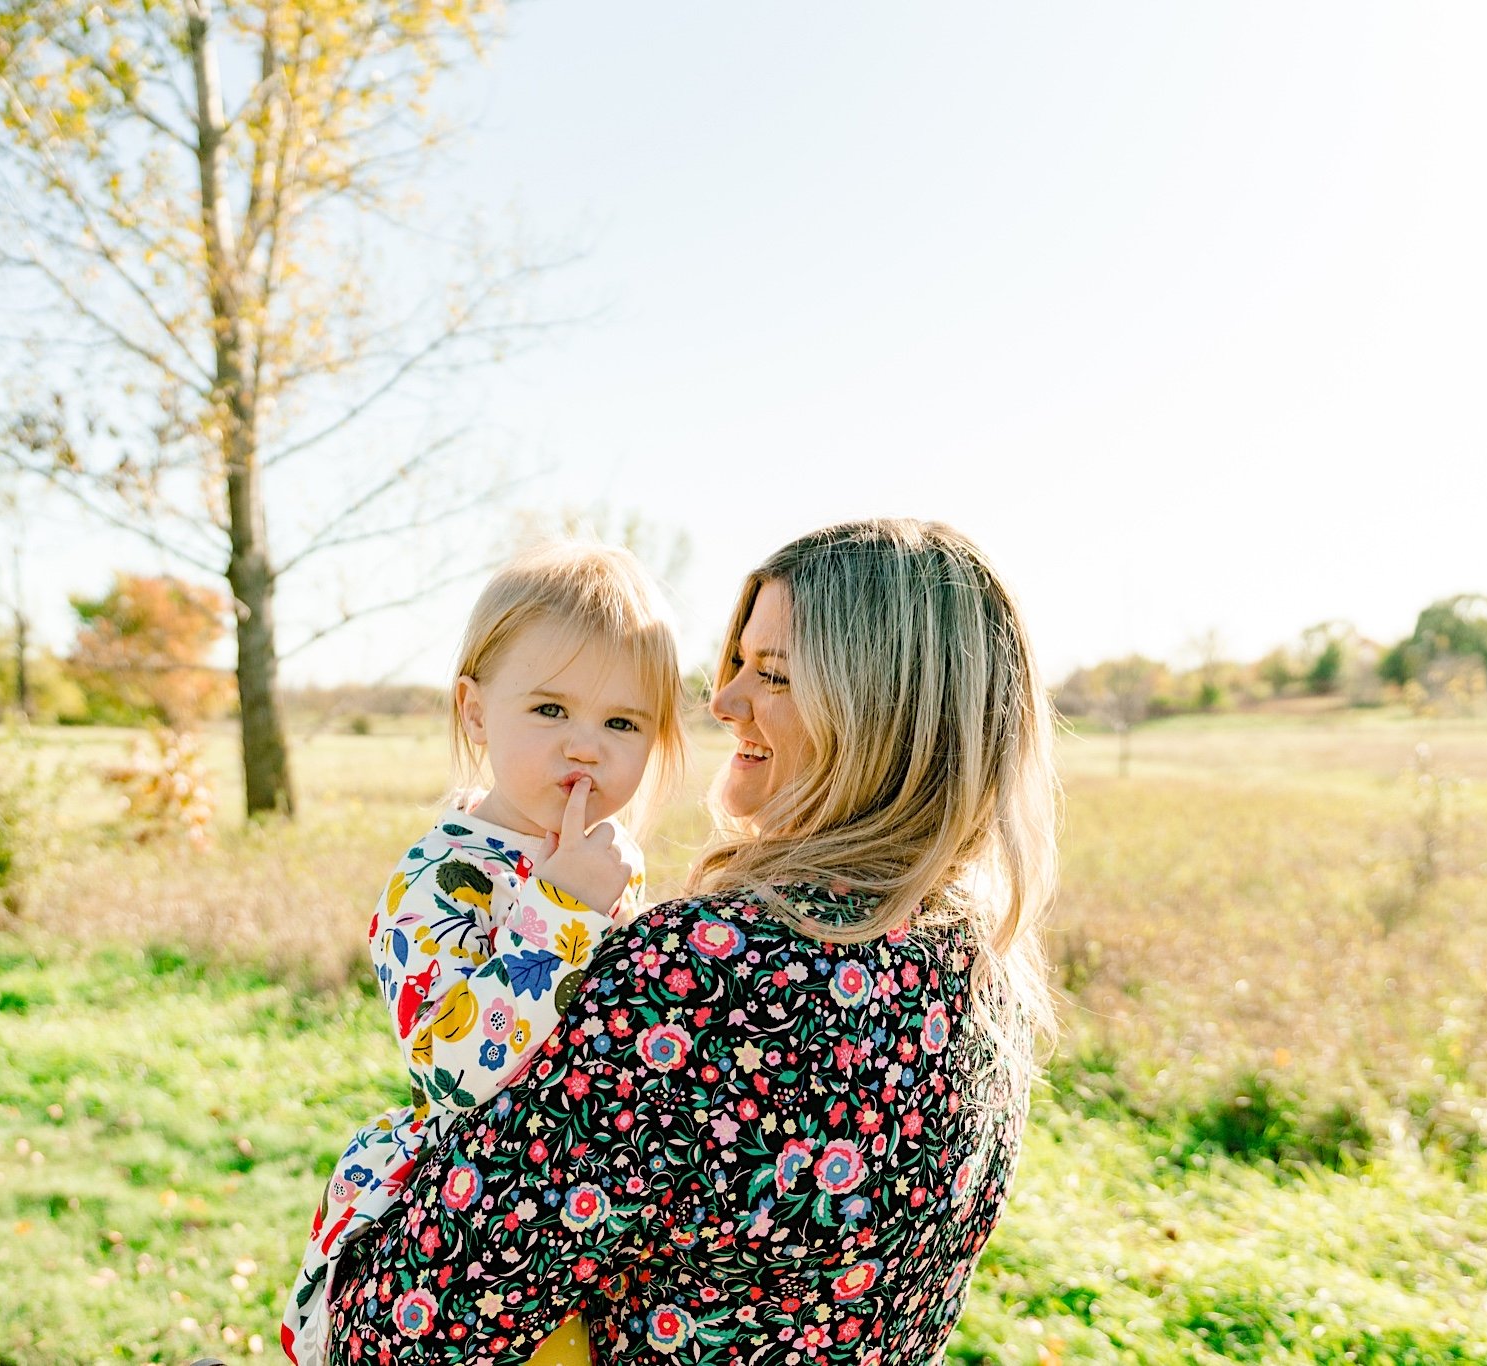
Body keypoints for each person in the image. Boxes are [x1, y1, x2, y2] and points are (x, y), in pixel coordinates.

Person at [325, 518, 1060, 1364]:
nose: (722, 702)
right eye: (736, 663)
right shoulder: (980, 965)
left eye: (772, 675)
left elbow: (408, 1332)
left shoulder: (702, 969)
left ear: (880, 714)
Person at [278, 541, 689, 1366]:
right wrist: (563, 907)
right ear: (474, 711)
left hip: (591, 1213)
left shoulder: (613, 856)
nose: (586, 747)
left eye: (621, 723)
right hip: (475, 1217)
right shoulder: (441, 873)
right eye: (549, 711)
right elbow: (452, 1069)